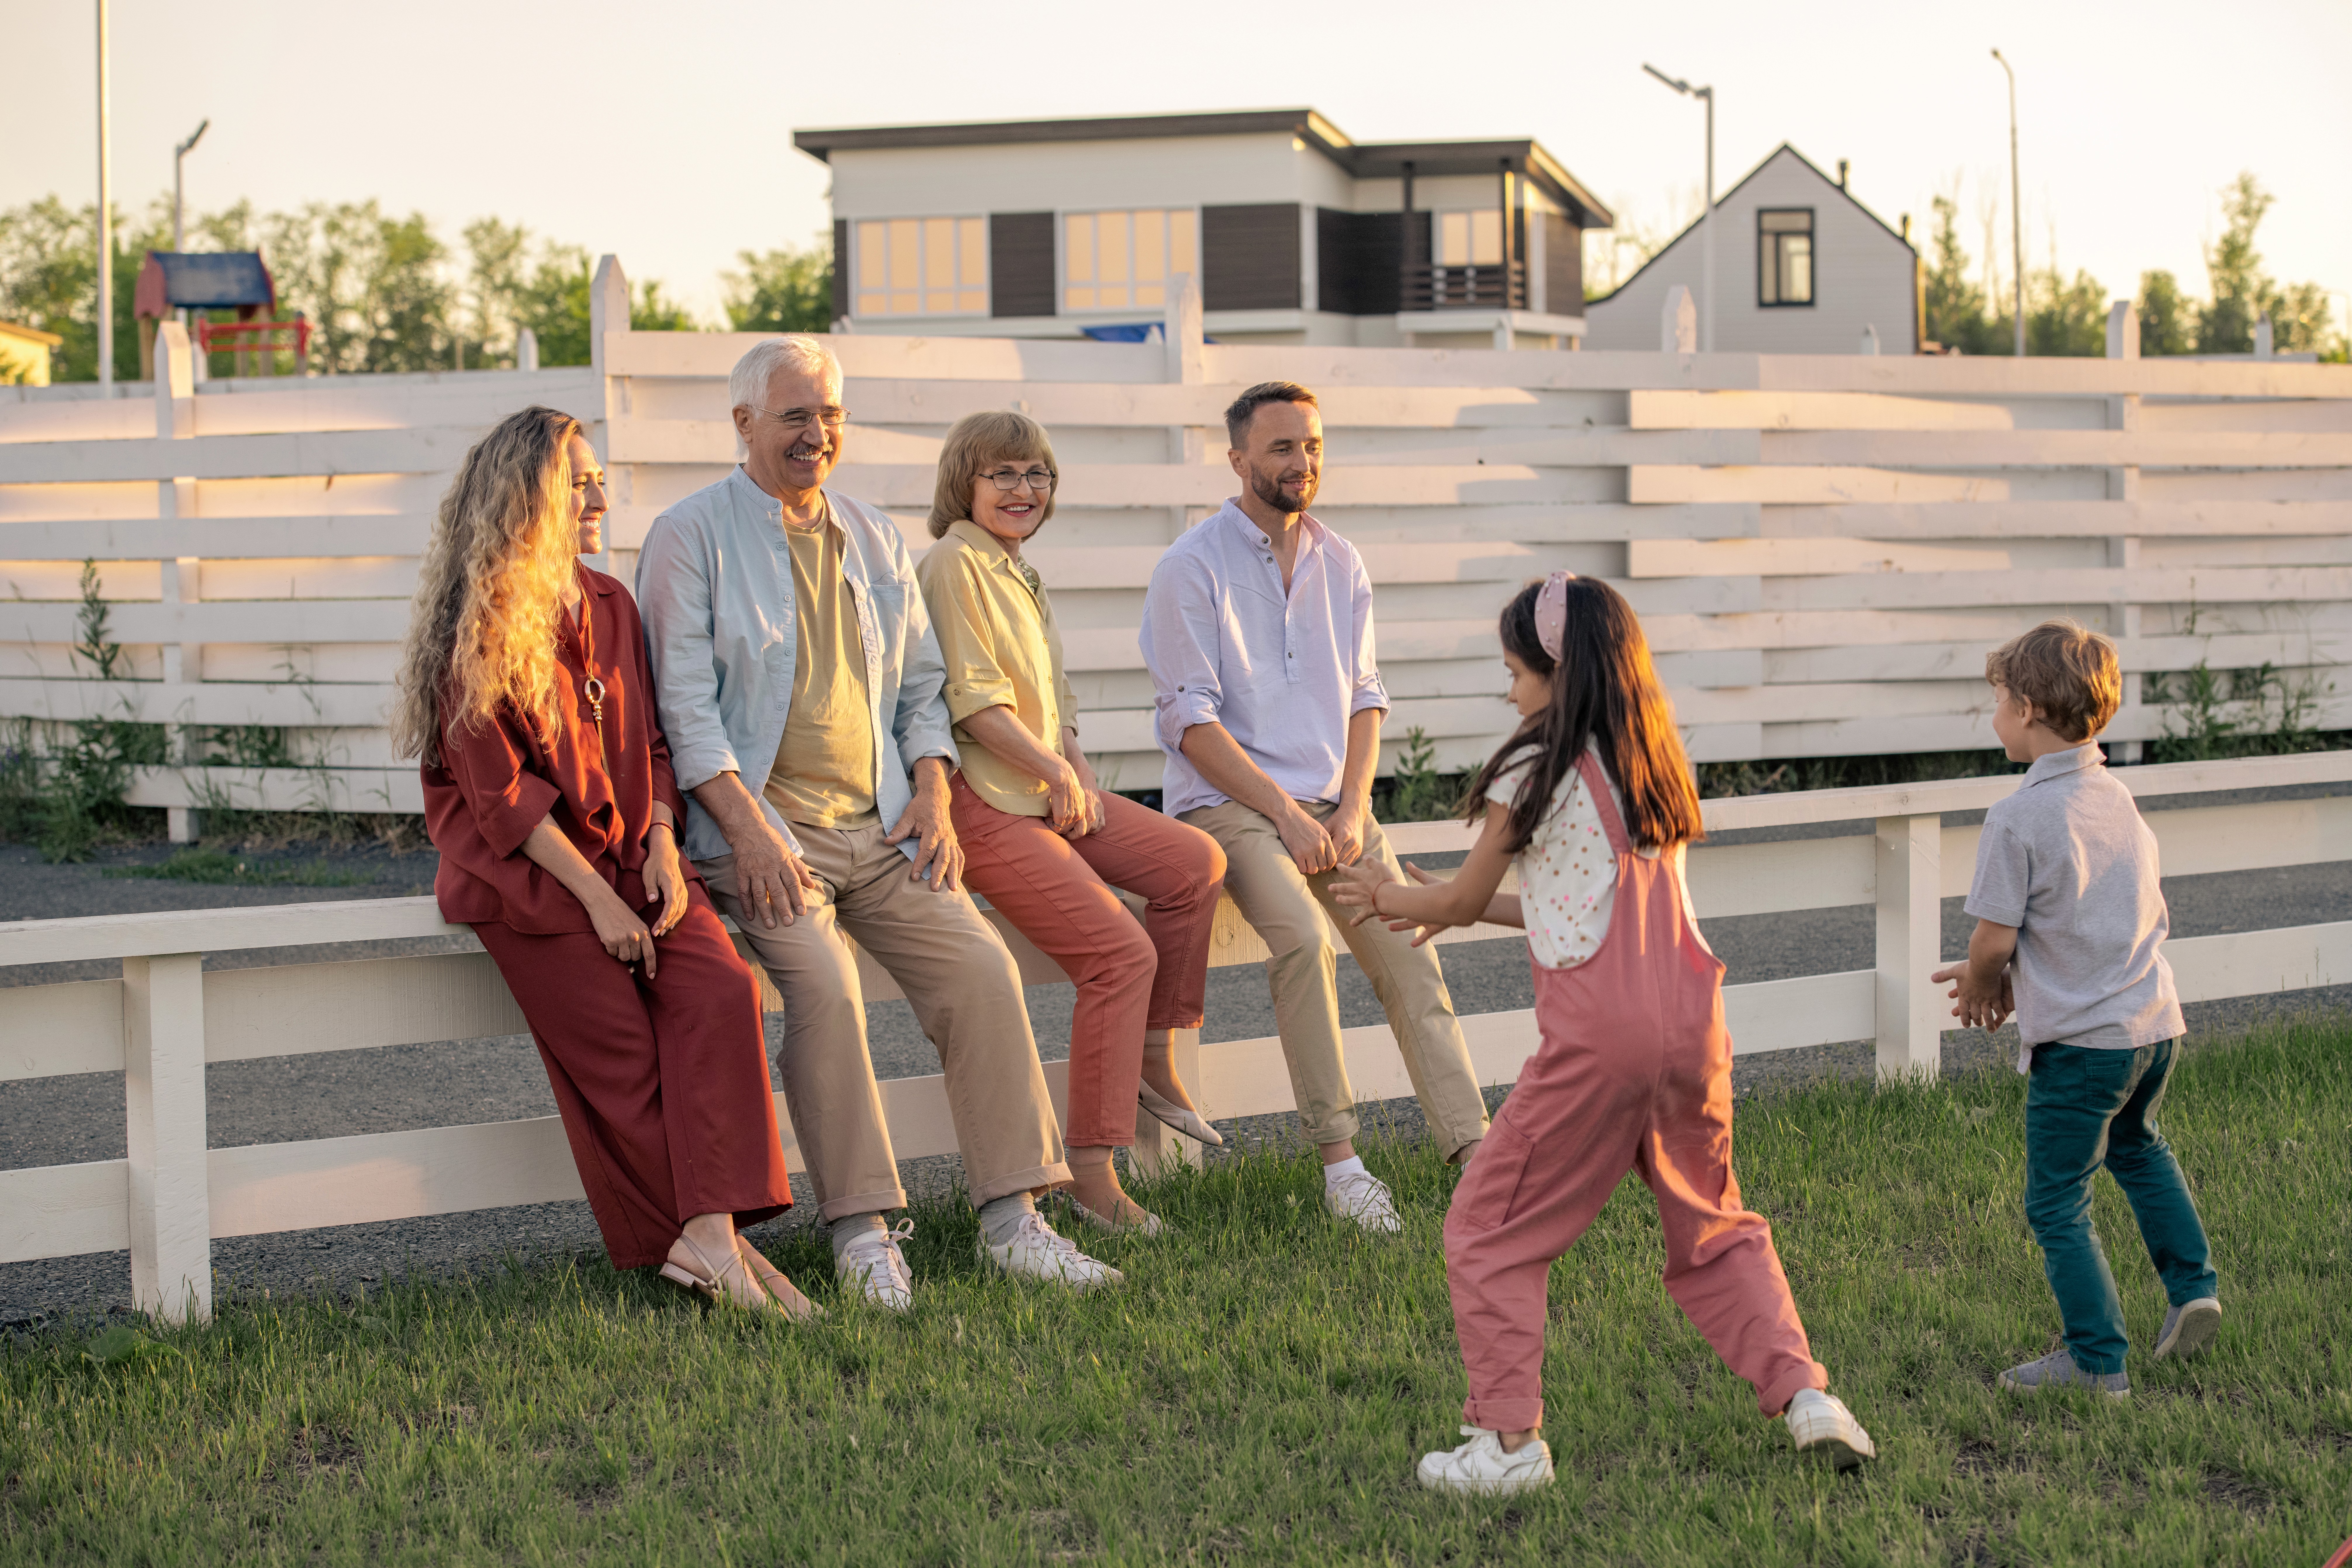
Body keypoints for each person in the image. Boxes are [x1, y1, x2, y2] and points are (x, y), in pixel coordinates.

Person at [1332, 573, 1876, 1493]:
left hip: (1600, 1041)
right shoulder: (1650, 761)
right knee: (1714, 1226)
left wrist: (1393, 898)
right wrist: (1451, 909)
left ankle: (1508, 1448)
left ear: (1559, 668)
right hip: (1691, 1032)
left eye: (1516, 671)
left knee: (1486, 1229)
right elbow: (1580, 904)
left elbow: (1461, 897)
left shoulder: (1533, 766)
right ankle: (1808, 1398)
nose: (1510, 691)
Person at [636, 336, 1120, 1302]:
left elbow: (922, 693)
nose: (818, 434)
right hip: (762, 834)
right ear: (744, 425)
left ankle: (1014, 1219)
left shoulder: (874, 533)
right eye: (795, 416)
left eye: (831, 415)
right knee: (826, 991)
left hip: (884, 826)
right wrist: (752, 831)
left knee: (981, 970)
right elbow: (684, 710)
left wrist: (934, 789)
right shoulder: (689, 535)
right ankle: (861, 1231)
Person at [392, 405, 808, 1319]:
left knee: (718, 994)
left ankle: (709, 1237)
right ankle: (715, 1246)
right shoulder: (480, 627)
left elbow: (653, 743)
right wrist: (598, 905)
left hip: (632, 853)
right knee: (624, 1057)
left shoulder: (612, 605)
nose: (598, 496)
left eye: (595, 478)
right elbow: (503, 797)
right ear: (523, 499)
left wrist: (660, 839)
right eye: (576, 483)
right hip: (531, 875)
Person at [1139, 380, 1490, 1233]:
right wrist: (1288, 816)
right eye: (1283, 447)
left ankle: (1478, 1156)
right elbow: (1190, 720)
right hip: (1233, 804)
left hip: (1339, 805)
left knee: (1410, 952)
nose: (1303, 463)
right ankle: (1342, 1165)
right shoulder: (1192, 565)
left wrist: (1351, 808)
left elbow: (1366, 696)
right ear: (1239, 460)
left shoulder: (1343, 561)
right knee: (1302, 940)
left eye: (1314, 446)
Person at [914, 411, 1228, 1234]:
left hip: (1047, 793)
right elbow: (975, 705)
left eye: (1037, 475)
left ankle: (1155, 1054)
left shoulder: (1019, 568)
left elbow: (1054, 703)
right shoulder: (954, 562)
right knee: (1120, 954)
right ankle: (1091, 1176)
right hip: (987, 804)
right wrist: (1055, 773)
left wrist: (1077, 772)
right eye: (1003, 475)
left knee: (1194, 863)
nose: (1024, 490)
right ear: (965, 484)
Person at [1932, 619, 2218, 1399]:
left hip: (2084, 1049)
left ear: (2026, 709)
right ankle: (2194, 1286)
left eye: (1994, 702)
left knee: (2057, 1200)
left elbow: (1995, 940)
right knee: (2139, 1147)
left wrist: (1984, 982)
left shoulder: (2018, 817)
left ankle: (2096, 1361)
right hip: (2153, 1028)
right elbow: (2090, 919)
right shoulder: (2117, 798)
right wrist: (1994, 972)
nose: (1992, 718)